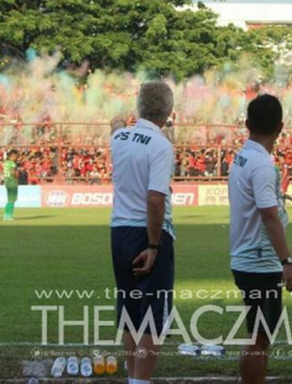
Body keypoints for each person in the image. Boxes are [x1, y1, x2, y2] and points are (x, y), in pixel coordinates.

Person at [228, 94, 292, 384]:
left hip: (250, 256)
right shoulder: (260, 164)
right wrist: (288, 262)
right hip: (258, 261)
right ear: (281, 127)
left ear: (247, 124)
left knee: (261, 334)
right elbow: (269, 217)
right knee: (259, 336)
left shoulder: (243, 156)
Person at [109, 81, 175, 384]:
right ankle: (140, 381)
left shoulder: (119, 138)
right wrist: (154, 244)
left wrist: (119, 122)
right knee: (152, 317)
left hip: (119, 232)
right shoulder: (161, 145)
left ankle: (133, 378)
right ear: (169, 112)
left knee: (131, 310)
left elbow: (117, 129)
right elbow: (155, 198)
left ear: (139, 106)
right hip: (146, 233)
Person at [2, 150, 19, 221]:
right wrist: (17, 177)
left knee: (9, 200)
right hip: (12, 181)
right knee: (12, 200)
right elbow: (13, 172)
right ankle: (9, 216)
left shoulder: (5, 163)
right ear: (12, 156)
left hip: (7, 181)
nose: (17, 158)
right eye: (16, 156)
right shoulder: (12, 163)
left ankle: (6, 215)